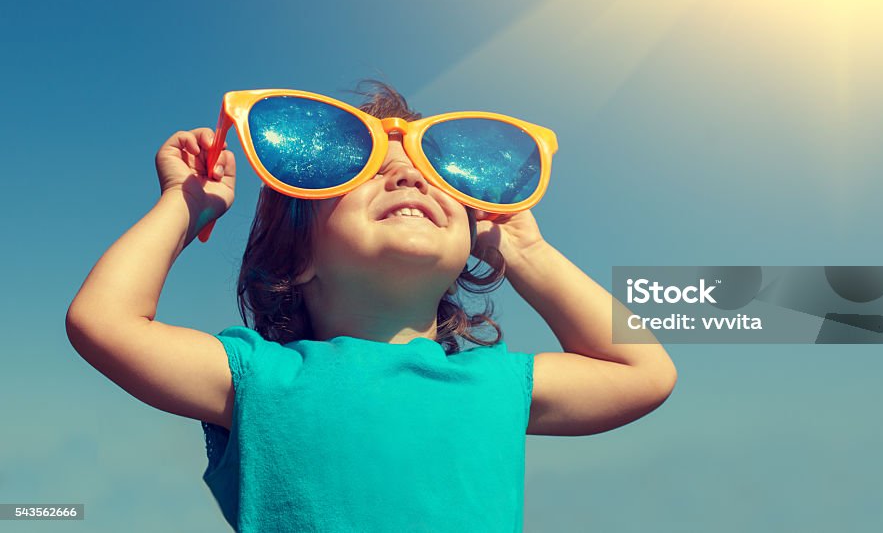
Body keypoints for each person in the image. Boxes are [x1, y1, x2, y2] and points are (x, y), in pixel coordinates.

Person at [65, 80, 677, 532]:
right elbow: (105, 322)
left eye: (435, 180)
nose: (408, 179)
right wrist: (185, 201)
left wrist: (529, 252)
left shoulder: (495, 382)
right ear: (295, 256)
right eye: (369, 174)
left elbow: (644, 372)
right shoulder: (260, 378)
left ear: (469, 249)